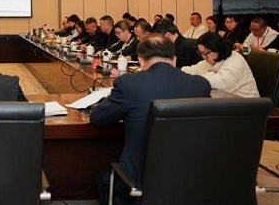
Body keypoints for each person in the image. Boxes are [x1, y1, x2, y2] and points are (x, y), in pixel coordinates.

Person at [90, 34, 211, 204]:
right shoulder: (200, 85)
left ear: (140, 61)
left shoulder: (129, 84)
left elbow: (98, 118)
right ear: (174, 59)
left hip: (140, 180)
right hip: (190, 177)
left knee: (103, 177)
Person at [182, 32, 259, 98]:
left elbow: (217, 83)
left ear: (217, 48)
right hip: (226, 101)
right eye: (201, 53)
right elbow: (192, 70)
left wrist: (202, 75)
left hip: (246, 104)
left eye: (205, 53)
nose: (203, 57)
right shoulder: (212, 59)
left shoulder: (235, 60)